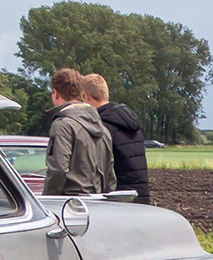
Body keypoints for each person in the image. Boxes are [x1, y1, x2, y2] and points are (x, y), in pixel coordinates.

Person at [44, 67, 115, 196]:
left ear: (55, 93)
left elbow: (58, 170)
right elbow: (110, 176)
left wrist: (48, 200)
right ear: (81, 93)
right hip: (98, 202)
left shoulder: (62, 125)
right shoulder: (103, 129)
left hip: (69, 205)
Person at [80, 72, 150, 203]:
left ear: (85, 96)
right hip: (140, 195)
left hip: (117, 197)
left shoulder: (101, 126)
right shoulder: (131, 122)